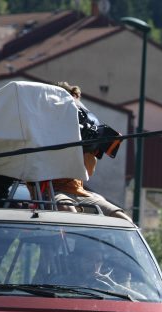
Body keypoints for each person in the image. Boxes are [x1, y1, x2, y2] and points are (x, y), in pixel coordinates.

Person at [30, 82, 133, 222]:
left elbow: (87, 172)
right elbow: (34, 170)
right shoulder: (44, 129)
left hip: (80, 192)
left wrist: (90, 146)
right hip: (54, 191)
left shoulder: (82, 131)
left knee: (123, 219)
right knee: (69, 212)